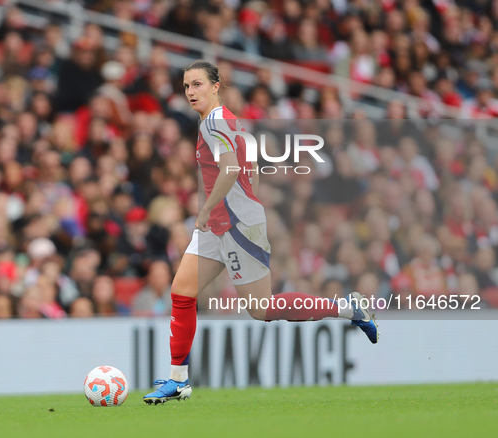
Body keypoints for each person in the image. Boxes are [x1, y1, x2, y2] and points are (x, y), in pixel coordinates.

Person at [143, 60, 379, 405]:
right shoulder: (226, 122)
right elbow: (248, 170)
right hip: (220, 224)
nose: (191, 92)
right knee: (182, 291)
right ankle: (178, 381)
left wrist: (209, 208)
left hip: (236, 225)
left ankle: (349, 310)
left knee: (261, 308)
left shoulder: (215, 121)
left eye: (197, 84)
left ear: (215, 86)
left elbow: (232, 168)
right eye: (186, 86)